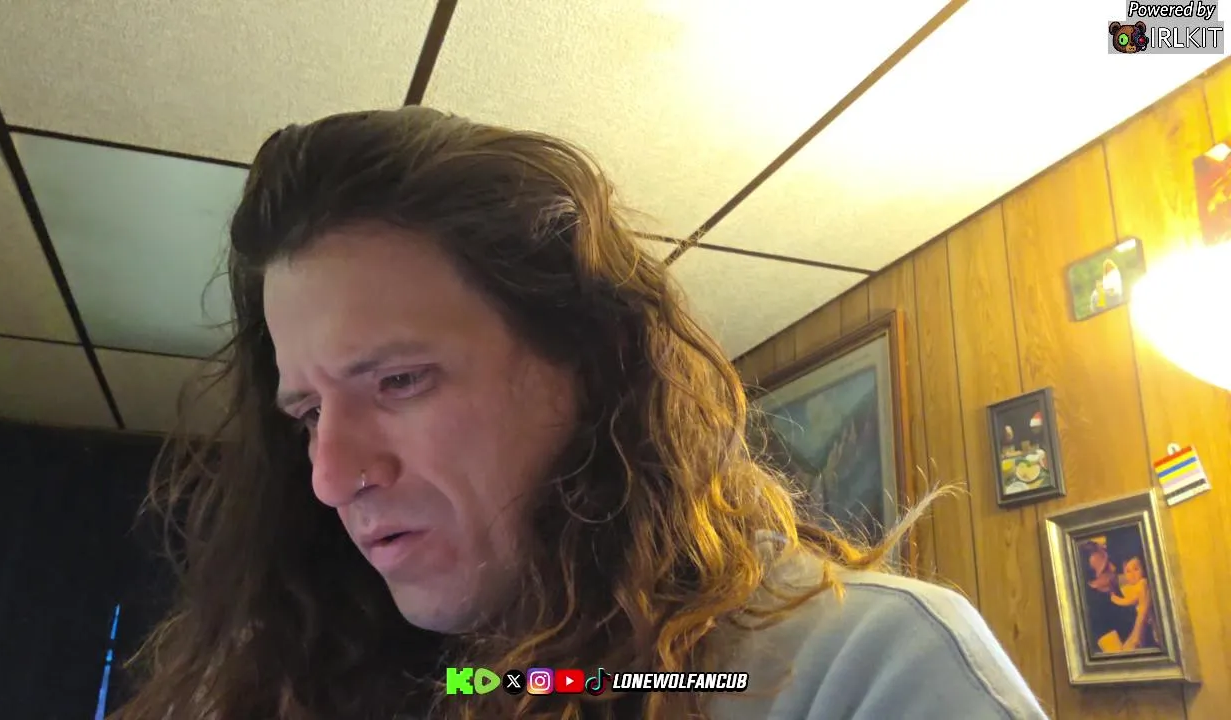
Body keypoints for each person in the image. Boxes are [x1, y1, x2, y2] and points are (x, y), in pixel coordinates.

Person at [113, 107, 1046, 719]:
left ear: (591, 368)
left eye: (399, 382)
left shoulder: (860, 670)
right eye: (309, 413)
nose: (331, 475)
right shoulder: (386, 675)